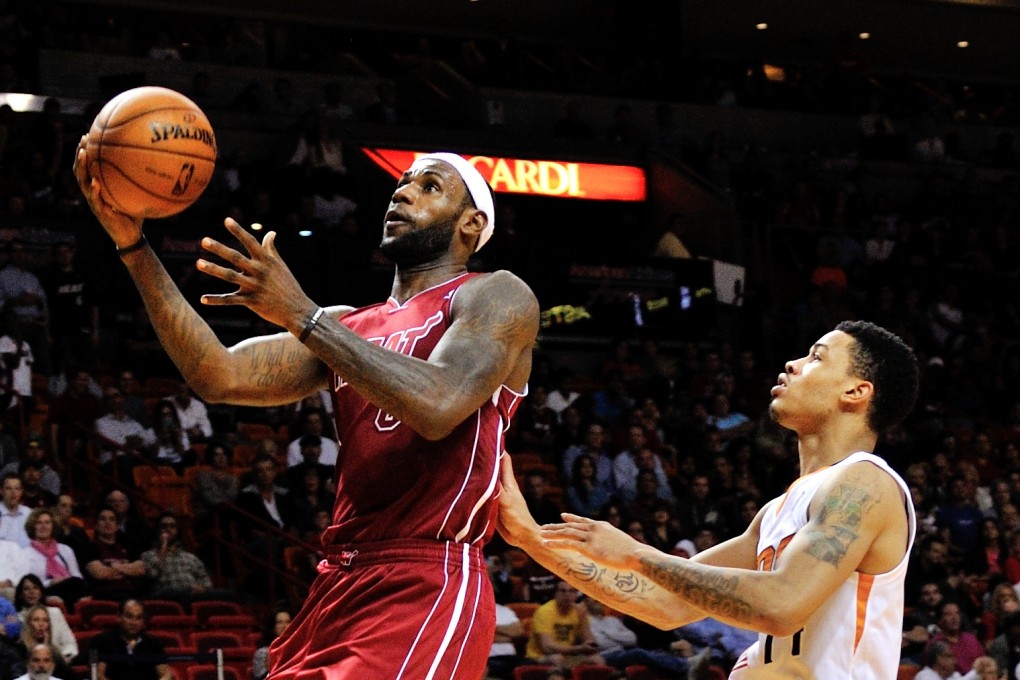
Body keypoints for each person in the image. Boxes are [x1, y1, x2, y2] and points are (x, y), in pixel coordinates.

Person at [75, 144, 539, 679]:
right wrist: (133, 244)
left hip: (427, 581)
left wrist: (302, 315)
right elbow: (217, 375)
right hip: (337, 582)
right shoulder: (347, 325)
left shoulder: (496, 295)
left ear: (471, 224)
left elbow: (437, 405)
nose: (403, 191)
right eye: (403, 182)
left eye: (430, 186)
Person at [498, 320, 920, 679]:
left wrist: (638, 555)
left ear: (855, 392)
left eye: (816, 357)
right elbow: (660, 602)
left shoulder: (864, 483)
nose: (793, 364)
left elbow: (782, 604)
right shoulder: (778, 510)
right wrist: (530, 536)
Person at [524, 581, 604, 670]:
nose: (567, 595)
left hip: (567, 655)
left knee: (597, 660)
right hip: (538, 657)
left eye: (571, 591)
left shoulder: (579, 612)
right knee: (556, 658)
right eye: (563, 591)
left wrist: (582, 619)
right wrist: (579, 648)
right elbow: (547, 647)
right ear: (555, 594)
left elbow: (591, 643)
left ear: (576, 595)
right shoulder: (544, 611)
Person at [20, 508, 89, 608]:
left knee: (80, 587)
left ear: (53, 526)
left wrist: (65, 579)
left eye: (47, 522)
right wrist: (51, 582)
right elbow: (27, 584)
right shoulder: (25, 553)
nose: (43, 526)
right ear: (33, 527)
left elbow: (77, 575)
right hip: (44, 590)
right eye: (39, 523)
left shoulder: (65, 549)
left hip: (71, 585)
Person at [89, 600, 172, 680]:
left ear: (143, 621)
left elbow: (166, 674)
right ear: (118, 617)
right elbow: (98, 676)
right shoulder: (101, 641)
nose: (134, 622)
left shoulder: (154, 643)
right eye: (129, 617)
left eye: (139, 618)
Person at [13, 575, 76, 663]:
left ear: (41, 592)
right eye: (26, 589)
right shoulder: (17, 618)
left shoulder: (55, 613)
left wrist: (60, 658)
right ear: (20, 595)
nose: (32, 592)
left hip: (59, 661)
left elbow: (69, 643)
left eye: (35, 588)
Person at [252, 608, 292, 680]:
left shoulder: (298, 649)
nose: (284, 626)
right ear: (272, 626)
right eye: (279, 622)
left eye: (288, 622)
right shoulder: (263, 653)